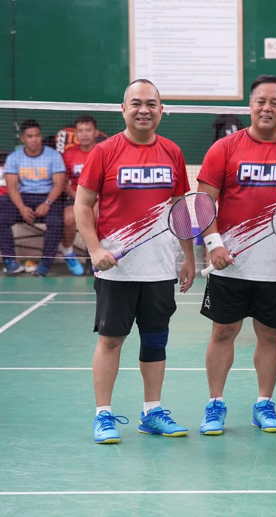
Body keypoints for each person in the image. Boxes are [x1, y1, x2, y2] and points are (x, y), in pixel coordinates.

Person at [196, 75, 276, 435]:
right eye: (260, 101)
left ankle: (264, 404)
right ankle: (215, 405)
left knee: (270, 335)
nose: (266, 107)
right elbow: (204, 204)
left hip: (275, 265)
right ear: (249, 106)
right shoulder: (224, 149)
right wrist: (213, 245)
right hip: (229, 262)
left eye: (275, 102)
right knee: (223, 333)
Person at [75, 79, 195, 444]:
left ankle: (152, 412)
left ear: (162, 110)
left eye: (152, 104)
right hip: (117, 268)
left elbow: (179, 208)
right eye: (137, 103)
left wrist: (188, 255)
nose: (144, 109)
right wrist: (95, 249)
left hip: (159, 268)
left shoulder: (172, 152)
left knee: (156, 341)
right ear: (123, 109)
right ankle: (103, 415)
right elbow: (82, 204)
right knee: (111, 341)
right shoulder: (104, 152)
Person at [0, 119, 66, 277]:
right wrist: (22, 207)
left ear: (41, 136)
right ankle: (10, 262)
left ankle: (45, 265)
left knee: (56, 223)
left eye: (37, 135)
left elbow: (59, 184)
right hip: (22, 198)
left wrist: (47, 203)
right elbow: (11, 186)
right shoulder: (14, 158)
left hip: (48, 197)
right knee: (1, 216)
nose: (34, 139)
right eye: (30, 136)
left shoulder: (53, 156)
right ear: (23, 138)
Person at [61, 115, 103, 276]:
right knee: (69, 219)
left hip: (99, 199)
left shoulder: (103, 152)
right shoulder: (68, 154)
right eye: (81, 131)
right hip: (74, 197)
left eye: (88, 130)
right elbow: (64, 182)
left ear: (95, 132)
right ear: (76, 133)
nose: (84, 134)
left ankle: (92, 257)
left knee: (95, 216)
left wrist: (97, 200)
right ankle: (68, 252)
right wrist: (79, 199)